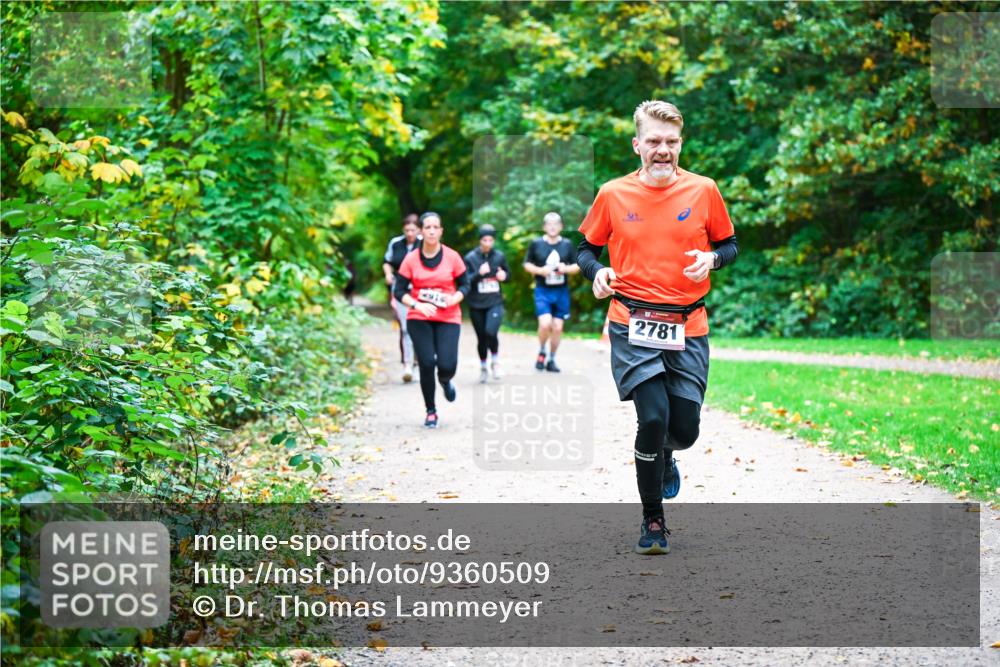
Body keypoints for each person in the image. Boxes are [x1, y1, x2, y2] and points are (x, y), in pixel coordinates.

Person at [576, 100, 738, 555]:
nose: (662, 150)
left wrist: (713, 258)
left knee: (683, 430)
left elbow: (730, 244)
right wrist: (598, 274)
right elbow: (585, 249)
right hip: (632, 323)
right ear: (637, 145)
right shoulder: (612, 194)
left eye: (670, 142)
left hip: (688, 324)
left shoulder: (704, 190)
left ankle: (668, 455)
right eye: (653, 142)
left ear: (680, 144)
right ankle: (653, 520)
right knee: (652, 417)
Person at [393, 212, 470, 428]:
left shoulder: (452, 257)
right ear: (421, 231)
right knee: (427, 363)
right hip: (420, 316)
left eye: (436, 227)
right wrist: (417, 304)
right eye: (427, 227)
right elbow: (399, 290)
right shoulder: (411, 259)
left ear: (441, 231)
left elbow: (465, 284)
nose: (432, 231)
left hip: (448, 315)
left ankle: (445, 380)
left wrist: (454, 297)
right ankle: (431, 411)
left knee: (447, 364)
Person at [522, 212, 579, 373]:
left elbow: (578, 266)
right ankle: (542, 351)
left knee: (558, 327)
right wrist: (541, 271)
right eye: (549, 223)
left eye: (556, 223)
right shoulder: (536, 244)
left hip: (561, 291)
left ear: (561, 226)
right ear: (544, 227)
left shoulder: (567, 245)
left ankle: (552, 359)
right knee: (545, 323)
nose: (553, 226)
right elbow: (527, 264)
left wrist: (565, 268)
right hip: (543, 290)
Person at [464, 225, 510, 383]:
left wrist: (504, 276)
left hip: (494, 302)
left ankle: (495, 363)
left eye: (491, 240)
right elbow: (464, 281)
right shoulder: (470, 258)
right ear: (479, 240)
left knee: (491, 332)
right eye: (485, 240)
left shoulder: (499, 256)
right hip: (476, 304)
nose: (488, 243)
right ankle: (483, 367)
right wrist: (478, 273)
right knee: (481, 337)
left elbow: (508, 275)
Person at [382, 214, 421, 382]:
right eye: (407, 230)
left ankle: (420, 361)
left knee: (421, 328)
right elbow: (387, 261)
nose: (410, 233)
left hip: (421, 291)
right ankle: (407, 364)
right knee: (405, 328)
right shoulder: (395, 243)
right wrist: (388, 274)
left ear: (418, 230)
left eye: (413, 230)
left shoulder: (425, 243)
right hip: (401, 291)